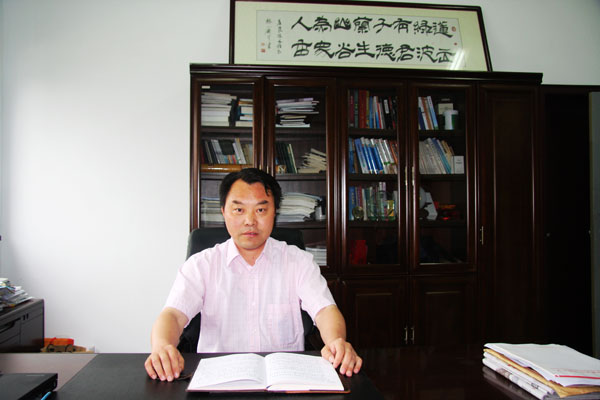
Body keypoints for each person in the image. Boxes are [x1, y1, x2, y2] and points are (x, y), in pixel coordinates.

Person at [144, 168, 362, 382]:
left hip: (284, 381)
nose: (250, 221)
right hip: (219, 380)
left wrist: (336, 341)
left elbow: (325, 310)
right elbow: (173, 315)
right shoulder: (201, 265)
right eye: (239, 210)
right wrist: (162, 347)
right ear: (223, 211)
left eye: (260, 210)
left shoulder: (298, 261)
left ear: (274, 212)